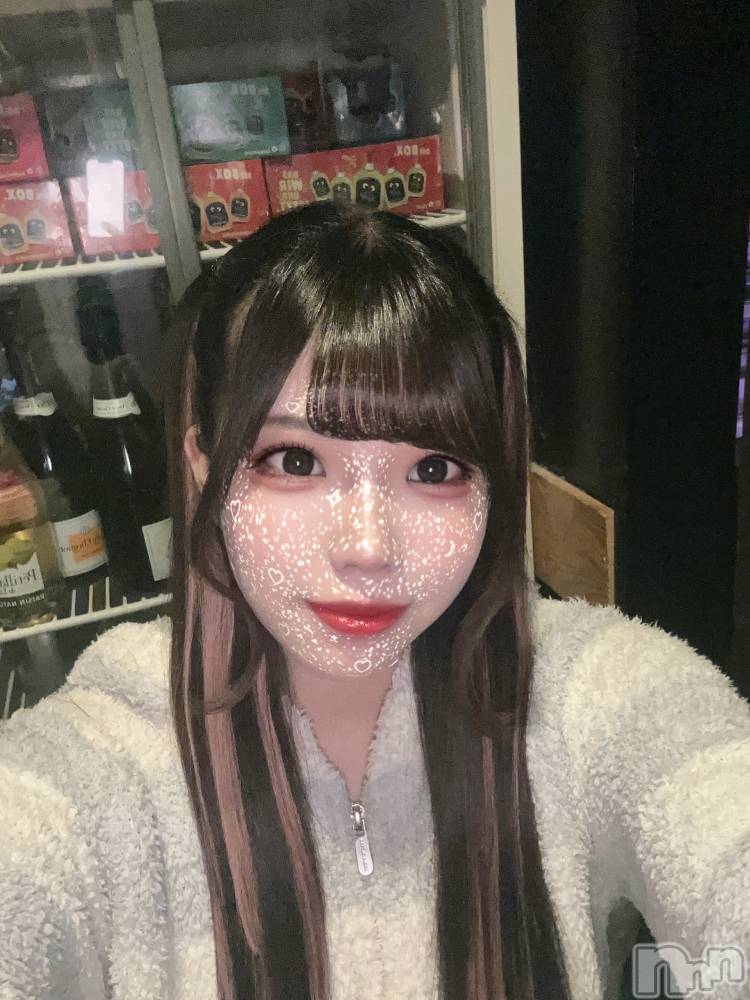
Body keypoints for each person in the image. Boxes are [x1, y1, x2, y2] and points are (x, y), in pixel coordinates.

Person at [1, 202, 749, 1000]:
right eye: (295, 460)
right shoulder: (103, 766)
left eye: (434, 469)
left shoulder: (581, 695)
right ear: (202, 464)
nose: (367, 548)